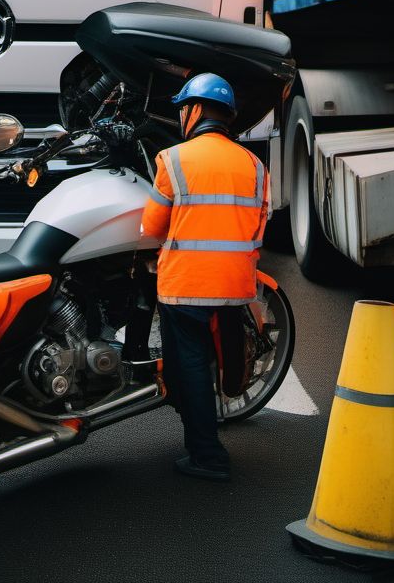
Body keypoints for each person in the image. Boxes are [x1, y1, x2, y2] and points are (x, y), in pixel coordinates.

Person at [140, 73, 269, 482]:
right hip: (235, 284)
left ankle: (208, 455)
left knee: (190, 364)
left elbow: (152, 228)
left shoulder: (173, 159)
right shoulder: (254, 164)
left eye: (183, 108)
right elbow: (259, 225)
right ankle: (218, 406)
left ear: (194, 111)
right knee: (223, 350)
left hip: (187, 286)